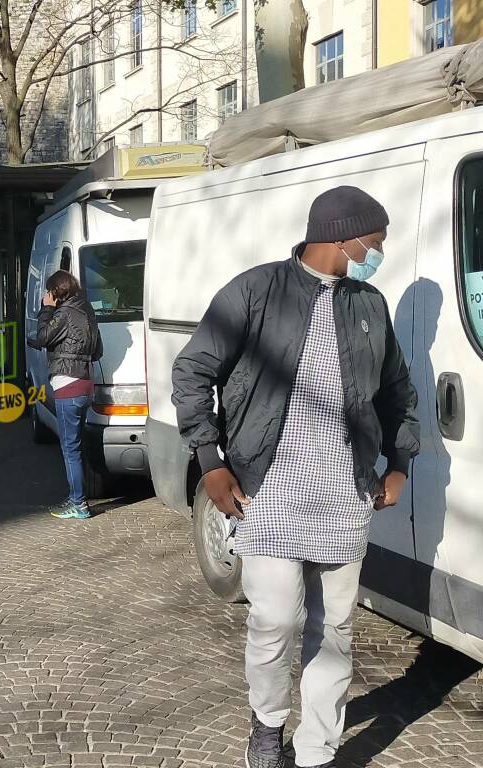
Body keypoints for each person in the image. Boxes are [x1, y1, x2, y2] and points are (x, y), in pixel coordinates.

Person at [171, 186, 420, 768]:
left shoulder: (368, 304)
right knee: (275, 620)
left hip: (342, 493)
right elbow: (192, 370)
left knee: (333, 627)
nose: (379, 251)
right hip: (271, 489)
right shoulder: (256, 291)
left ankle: (317, 749)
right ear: (344, 236)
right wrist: (210, 459)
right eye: (375, 241)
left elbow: (396, 392)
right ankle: (267, 724)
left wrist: (400, 463)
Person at [27, 270, 102, 520]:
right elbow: (98, 350)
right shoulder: (87, 310)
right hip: (85, 383)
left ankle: (78, 503)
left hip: (66, 384)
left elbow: (44, 336)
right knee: (77, 444)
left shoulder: (64, 312)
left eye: (48, 292)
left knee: (70, 448)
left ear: (55, 293)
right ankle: (78, 497)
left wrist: (46, 310)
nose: (46, 296)